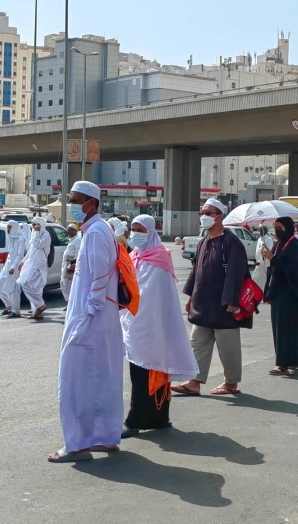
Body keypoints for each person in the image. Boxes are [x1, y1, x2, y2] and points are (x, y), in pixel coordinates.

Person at [50, 181, 122, 463]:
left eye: (75, 200)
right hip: (97, 318)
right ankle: (105, 437)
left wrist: (89, 312)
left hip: (90, 318)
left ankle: (79, 445)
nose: (71, 205)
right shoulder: (97, 230)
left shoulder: (95, 233)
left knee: (76, 382)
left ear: (91, 203)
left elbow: (100, 275)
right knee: (102, 378)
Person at [120, 216, 198, 437]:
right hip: (136, 324)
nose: (136, 233)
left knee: (150, 371)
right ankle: (157, 418)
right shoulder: (134, 256)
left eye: (141, 230)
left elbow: (153, 296)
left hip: (152, 325)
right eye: (133, 229)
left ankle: (136, 421)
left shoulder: (160, 257)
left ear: (151, 232)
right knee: (140, 372)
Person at [173, 198, 247, 397]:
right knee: (197, 343)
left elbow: (236, 273)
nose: (203, 217)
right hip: (202, 305)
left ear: (219, 217)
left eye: (208, 213)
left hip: (223, 306)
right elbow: (196, 271)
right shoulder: (204, 241)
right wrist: (191, 298)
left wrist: (232, 301)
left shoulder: (230, 241)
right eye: (202, 213)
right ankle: (194, 382)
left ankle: (231, 382)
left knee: (228, 348)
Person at [261, 217, 298, 375]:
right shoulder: (279, 243)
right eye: (275, 227)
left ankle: (281, 364)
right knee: (286, 327)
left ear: (288, 228)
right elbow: (275, 266)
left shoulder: (294, 245)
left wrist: (273, 258)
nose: (277, 230)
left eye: (280, 227)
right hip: (278, 291)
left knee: (284, 328)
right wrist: (268, 256)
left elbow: (294, 270)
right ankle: (295, 359)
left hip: (289, 293)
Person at [19, 216, 51, 320]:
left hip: (39, 266)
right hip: (32, 265)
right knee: (29, 285)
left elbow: (38, 245)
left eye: (35, 224)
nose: (33, 226)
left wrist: (36, 232)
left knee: (29, 284)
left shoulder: (46, 235)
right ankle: (37, 312)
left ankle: (40, 305)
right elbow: (31, 250)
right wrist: (23, 262)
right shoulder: (34, 234)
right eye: (32, 224)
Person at [0, 220, 28, 318]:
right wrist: (7, 266)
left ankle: (15, 310)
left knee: (14, 289)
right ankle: (8, 306)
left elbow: (20, 255)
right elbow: (10, 254)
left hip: (15, 266)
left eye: (10, 227)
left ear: (14, 227)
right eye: (8, 227)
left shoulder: (21, 239)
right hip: (8, 265)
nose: (8, 229)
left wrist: (14, 267)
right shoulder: (11, 238)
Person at [60, 223, 81, 302]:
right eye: (68, 230)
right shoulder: (71, 240)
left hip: (70, 264)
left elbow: (77, 254)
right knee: (63, 284)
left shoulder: (78, 240)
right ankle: (69, 302)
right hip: (66, 263)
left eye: (70, 230)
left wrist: (72, 266)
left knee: (69, 285)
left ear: (75, 230)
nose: (68, 231)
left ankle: (71, 303)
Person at [252, 225, 274, 291]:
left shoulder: (269, 240)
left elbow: (267, 253)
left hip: (264, 265)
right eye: (259, 229)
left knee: (263, 282)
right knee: (255, 279)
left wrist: (260, 262)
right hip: (258, 265)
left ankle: (263, 295)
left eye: (261, 229)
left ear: (265, 230)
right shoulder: (259, 239)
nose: (260, 231)